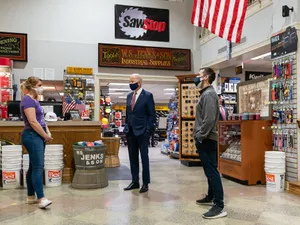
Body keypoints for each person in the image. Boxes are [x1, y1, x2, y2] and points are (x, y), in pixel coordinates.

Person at [193, 68, 227, 219]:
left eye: (199, 75)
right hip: (205, 137)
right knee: (209, 170)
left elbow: (209, 120)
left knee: (212, 171)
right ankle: (211, 196)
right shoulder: (206, 94)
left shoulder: (209, 95)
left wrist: (200, 136)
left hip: (207, 138)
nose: (197, 78)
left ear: (205, 78)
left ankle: (218, 205)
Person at [20, 76, 53, 209]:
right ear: (32, 87)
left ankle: (30, 197)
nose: (41, 88)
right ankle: (41, 198)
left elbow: (41, 120)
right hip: (32, 136)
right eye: (39, 85)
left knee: (33, 167)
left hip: (38, 135)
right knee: (38, 167)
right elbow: (33, 122)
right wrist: (45, 135)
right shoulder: (27, 101)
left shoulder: (35, 101)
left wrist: (47, 132)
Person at [123, 74, 156, 193]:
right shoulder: (129, 96)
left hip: (142, 132)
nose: (130, 83)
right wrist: (126, 127)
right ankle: (135, 181)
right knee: (132, 158)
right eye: (129, 80)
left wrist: (148, 131)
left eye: (132, 81)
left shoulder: (147, 96)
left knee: (144, 157)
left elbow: (152, 115)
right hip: (131, 131)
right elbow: (128, 114)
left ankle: (145, 183)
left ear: (139, 83)